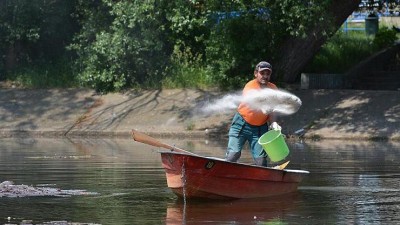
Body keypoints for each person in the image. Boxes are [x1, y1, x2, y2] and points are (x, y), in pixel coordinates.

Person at [225, 61, 281, 167]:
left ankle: (258, 178)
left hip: (260, 128)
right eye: (262, 73)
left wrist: (273, 122)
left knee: (261, 162)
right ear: (256, 73)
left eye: (267, 74)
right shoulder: (250, 86)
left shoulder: (273, 88)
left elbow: (273, 109)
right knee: (233, 155)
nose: (265, 76)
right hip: (241, 124)